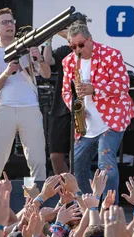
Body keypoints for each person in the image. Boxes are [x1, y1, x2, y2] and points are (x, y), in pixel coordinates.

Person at [62, 23, 134, 203]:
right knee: (77, 164)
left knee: (106, 164)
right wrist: (75, 107)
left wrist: (95, 89)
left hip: (111, 119)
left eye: (80, 45)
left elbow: (123, 84)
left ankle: (110, 209)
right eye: (73, 46)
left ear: (90, 40)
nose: (77, 50)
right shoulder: (69, 61)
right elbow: (65, 91)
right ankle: (89, 204)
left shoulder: (111, 54)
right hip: (86, 123)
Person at [0, 7, 51, 181]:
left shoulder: (27, 47)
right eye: (4, 22)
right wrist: (6, 73)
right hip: (4, 108)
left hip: (30, 108)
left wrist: (39, 58)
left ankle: (36, 203)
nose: (10, 25)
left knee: (37, 160)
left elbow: (46, 74)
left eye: (11, 21)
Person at [43, 15, 90, 175]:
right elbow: (48, 61)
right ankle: (67, 192)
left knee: (76, 155)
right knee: (55, 155)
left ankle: (79, 192)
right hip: (61, 105)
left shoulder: (88, 50)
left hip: (82, 106)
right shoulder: (64, 51)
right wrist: (48, 39)